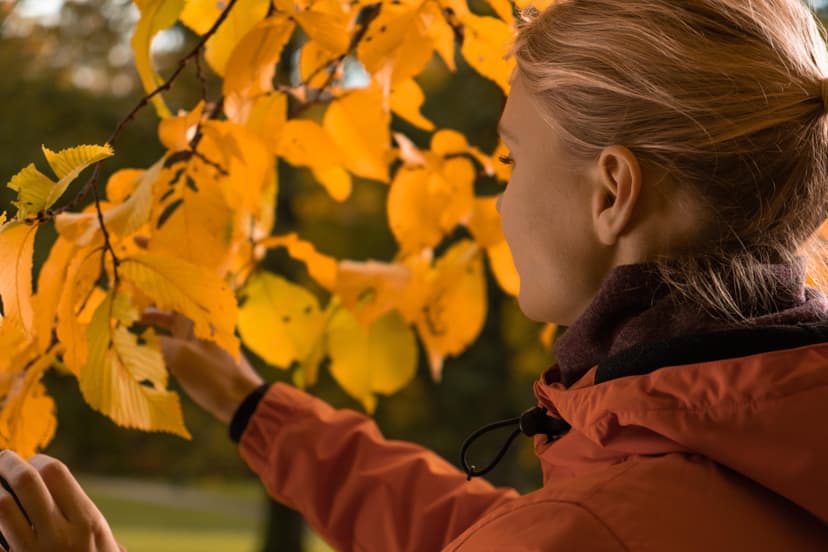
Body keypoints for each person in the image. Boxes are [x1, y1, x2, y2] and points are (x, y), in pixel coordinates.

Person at [3, 0, 828, 549]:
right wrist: (250, 404)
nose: (499, 202)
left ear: (612, 191)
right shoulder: (760, 436)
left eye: (510, 157)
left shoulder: (596, 524)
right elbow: (473, 530)